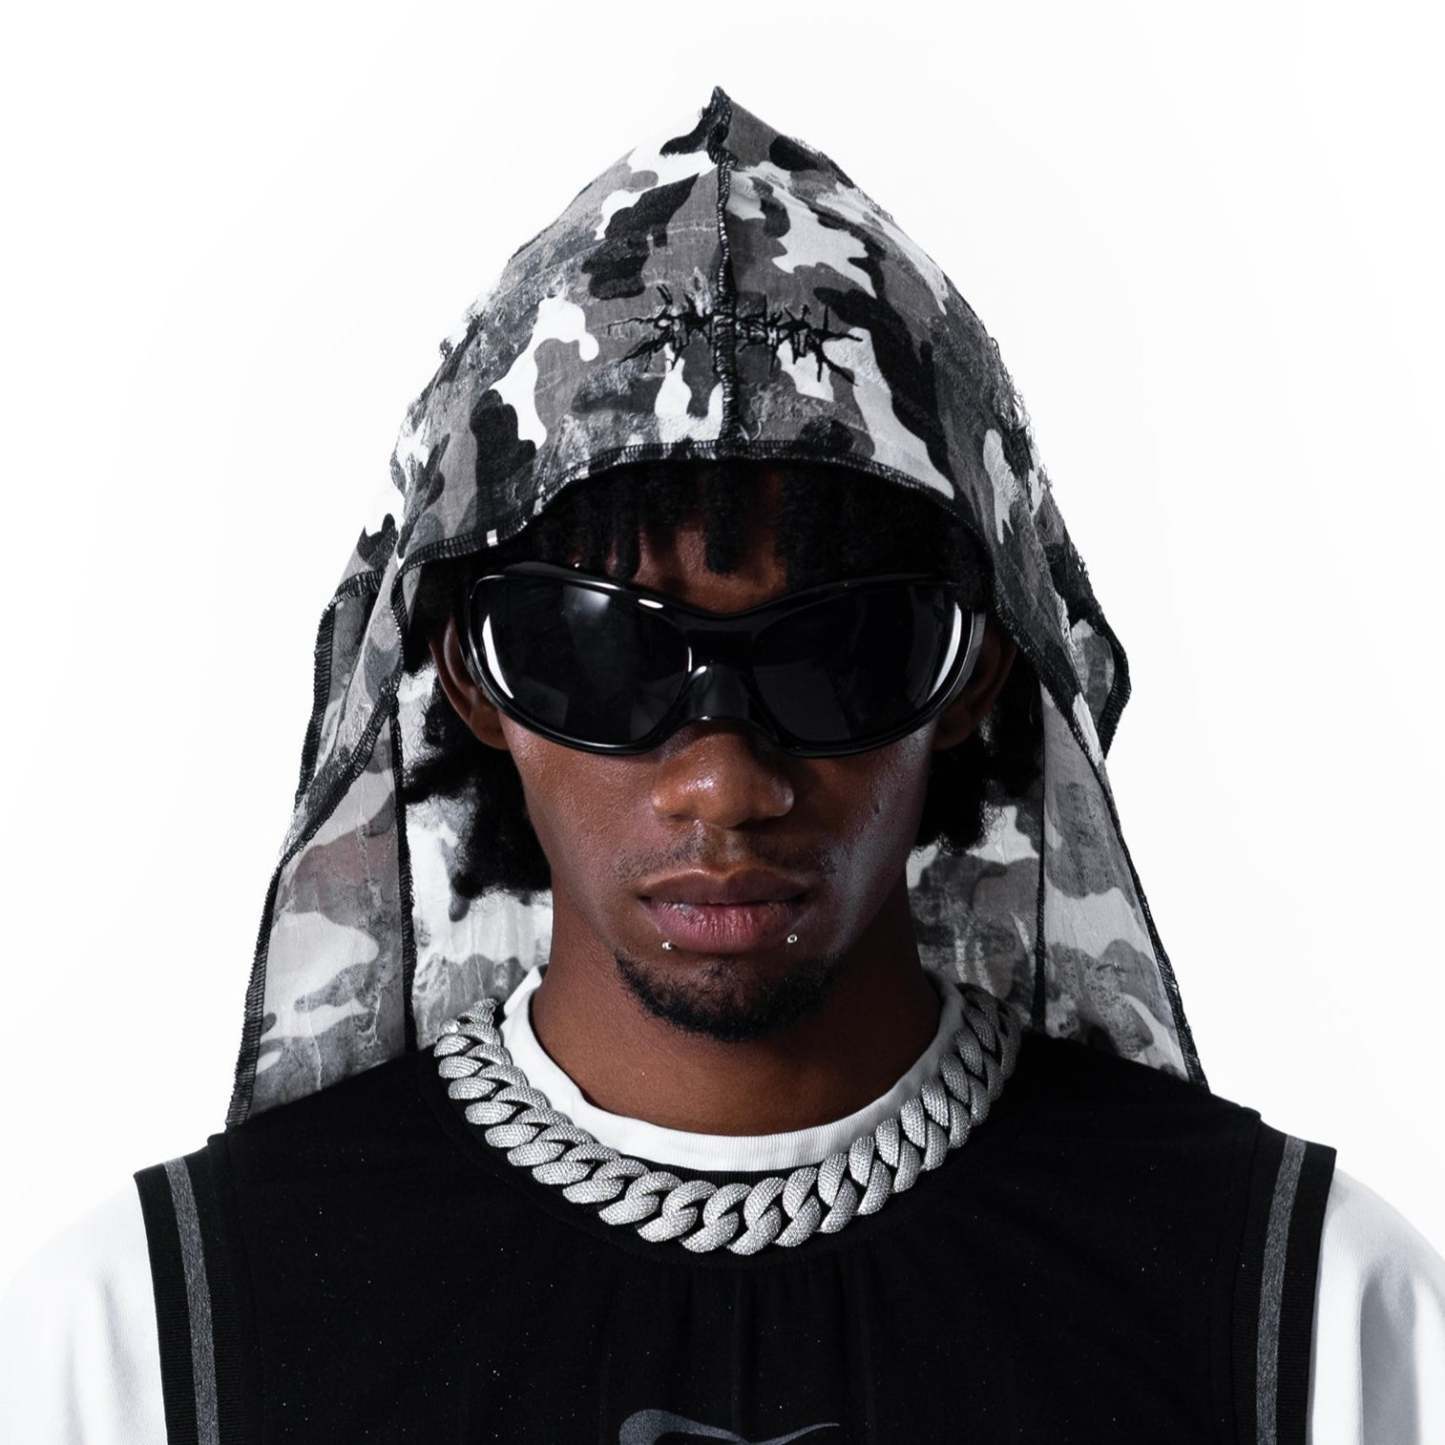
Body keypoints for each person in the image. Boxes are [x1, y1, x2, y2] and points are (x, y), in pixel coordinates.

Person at [2, 83, 1441, 1444]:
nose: (724, 787)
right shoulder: (147, 1345)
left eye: (841, 651)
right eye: (601, 653)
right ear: (473, 676)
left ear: (975, 673)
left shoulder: (1312, 1317)